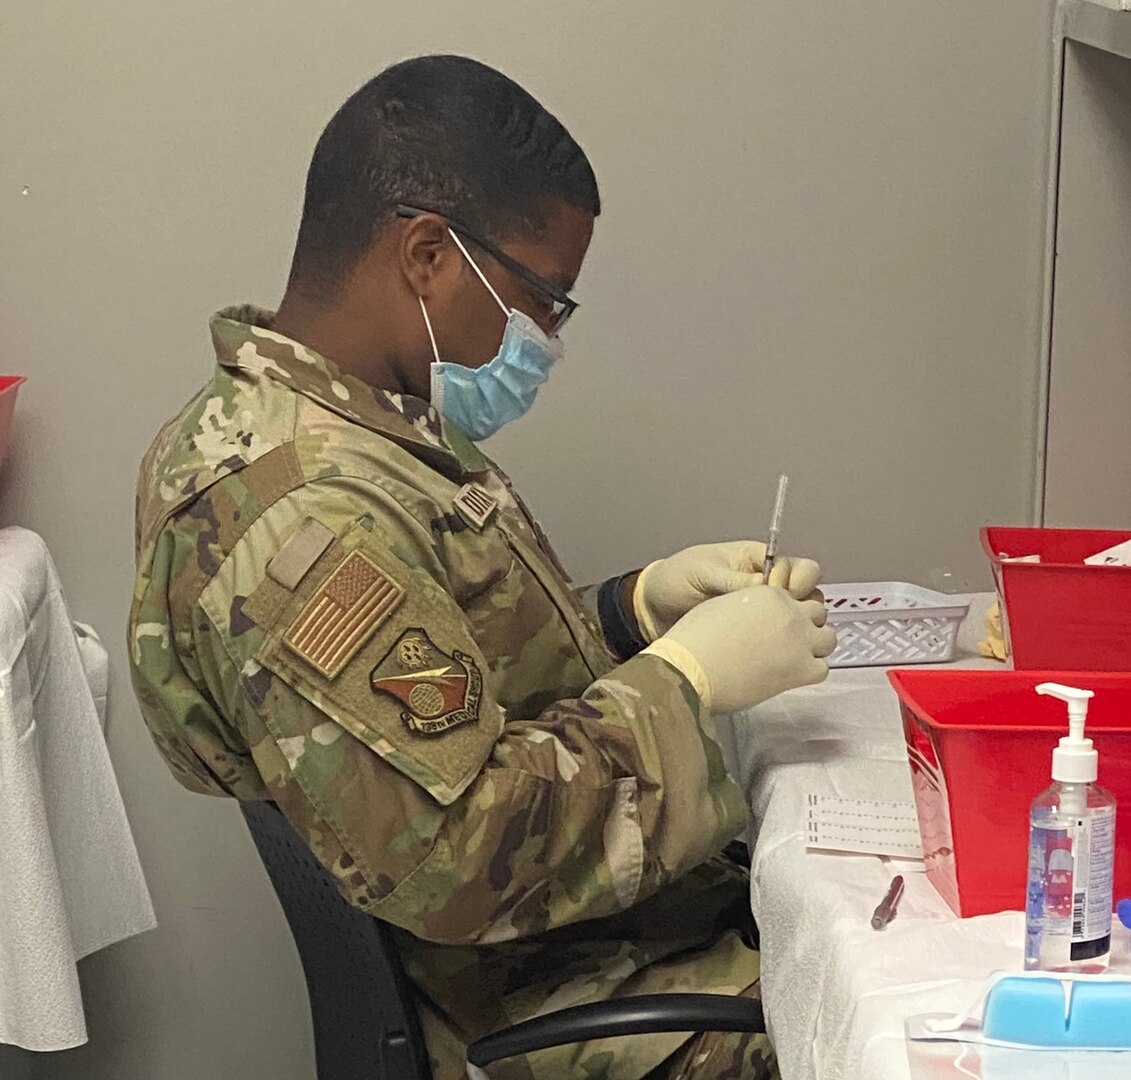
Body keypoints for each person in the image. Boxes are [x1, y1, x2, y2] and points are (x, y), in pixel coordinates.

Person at [129, 54, 837, 1080]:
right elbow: (458, 854)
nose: (546, 337)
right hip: (546, 990)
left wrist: (634, 612)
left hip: (599, 941)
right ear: (427, 255)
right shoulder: (302, 520)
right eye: (544, 299)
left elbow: (452, 690)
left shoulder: (351, 427)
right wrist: (686, 685)